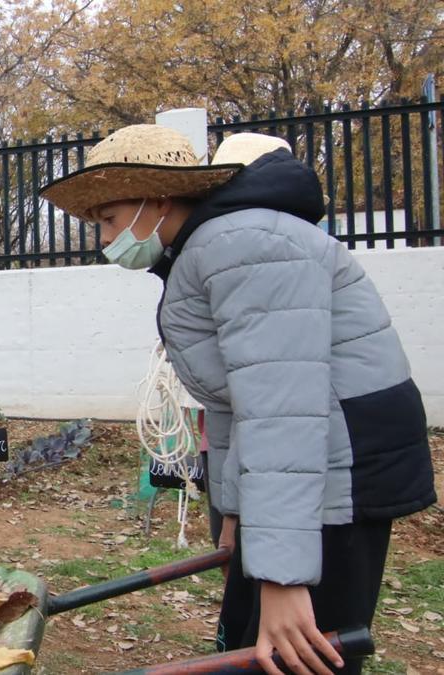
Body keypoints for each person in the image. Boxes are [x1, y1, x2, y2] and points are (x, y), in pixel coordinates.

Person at [41, 125, 437, 675]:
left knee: (300, 653)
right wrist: (234, 514)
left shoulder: (243, 247)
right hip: (306, 465)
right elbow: (233, 404)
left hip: (341, 462)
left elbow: (282, 411)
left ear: (157, 199)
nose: (104, 237)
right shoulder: (205, 249)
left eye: (108, 219)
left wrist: (284, 577)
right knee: (250, 644)